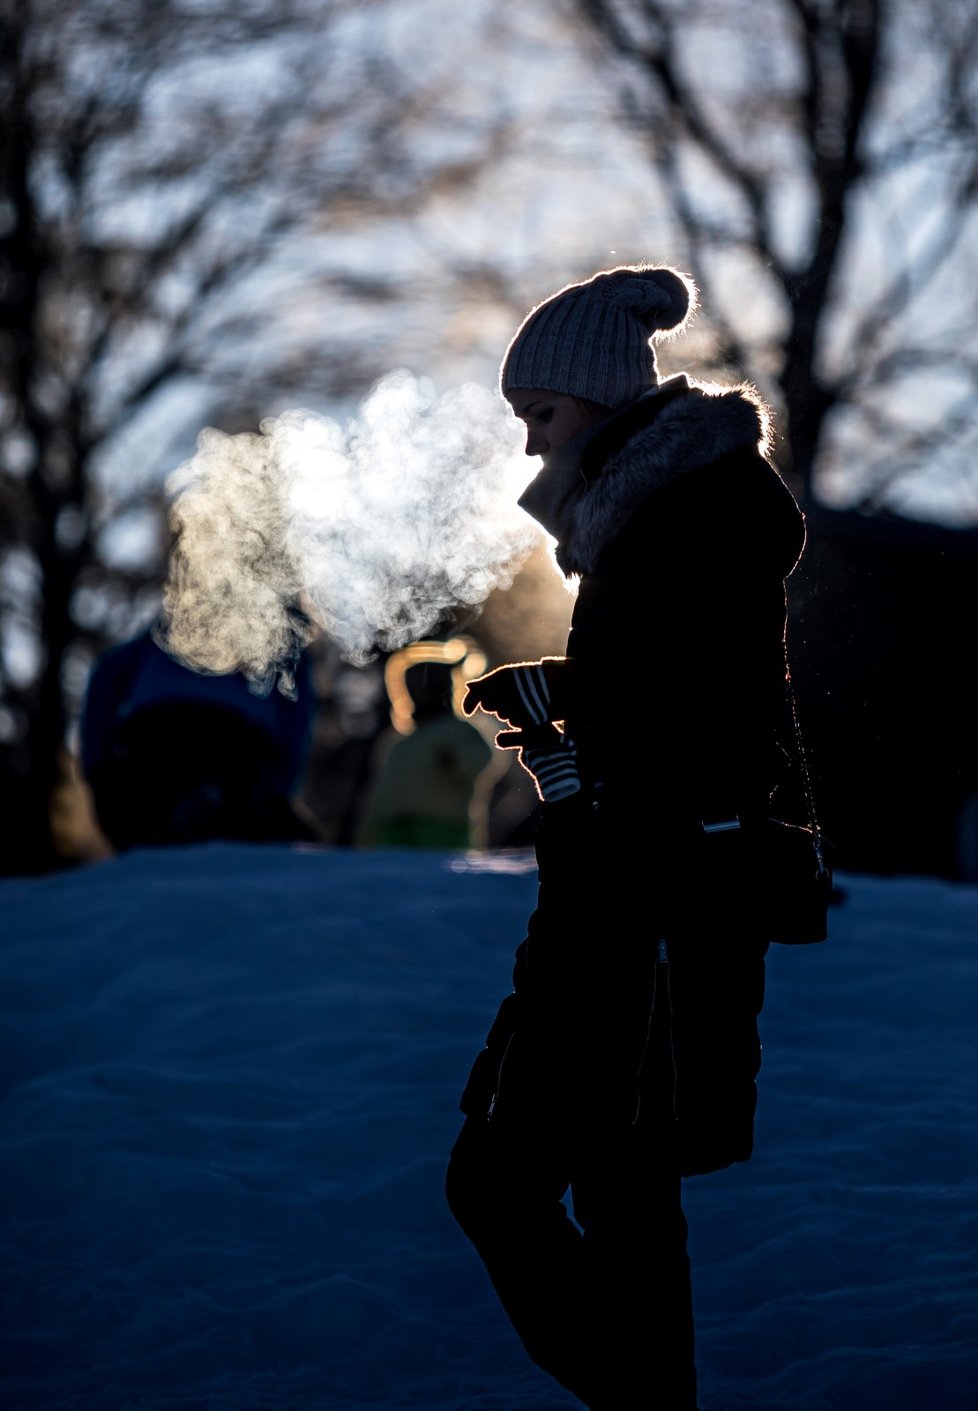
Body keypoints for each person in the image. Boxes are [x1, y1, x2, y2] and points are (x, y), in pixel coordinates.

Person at [444, 262, 808, 1410]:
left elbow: (683, 736)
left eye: (540, 416)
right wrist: (565, 712)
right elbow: (676, 704)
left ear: (596, 399)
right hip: (643, 918)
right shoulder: (663, 520)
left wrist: (565, 730)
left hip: (645, 932)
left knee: (500, 1185)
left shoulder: (676, 522)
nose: (531, 447)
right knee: (625, 1199)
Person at [79, 619, 323, 852]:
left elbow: (107, 674)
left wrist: (98, 769)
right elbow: (296, 718)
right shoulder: (276, 629)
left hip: (157, 735)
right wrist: (278, 788)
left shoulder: (175, 617)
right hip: (234, 743)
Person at [355, 650, 495, 850]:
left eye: (421, 687)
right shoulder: (400, 743)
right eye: (410, 688)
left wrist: (454, 759)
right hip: (392, 835)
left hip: (442, 834)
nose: (414, 695)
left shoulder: (457, 732)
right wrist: (368, 834)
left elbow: (482, 759)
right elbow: (379, 795)